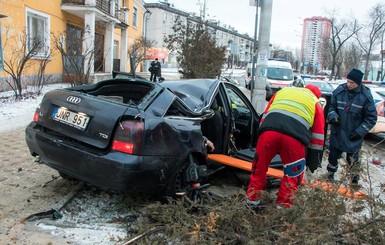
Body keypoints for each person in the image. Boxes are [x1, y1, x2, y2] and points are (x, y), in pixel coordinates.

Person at [246, 84, 325, 208]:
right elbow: (318, 136)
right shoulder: (315, 102)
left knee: (259, 167)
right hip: (294, 138)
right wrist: (313, 160)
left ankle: (252, 201)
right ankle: (283, 206)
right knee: (292, 174)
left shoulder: (284, 91)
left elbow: (265, 116)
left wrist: (262, 139)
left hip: (269, 132)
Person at [326, 68, 377, 184]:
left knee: (353, 160)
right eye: (348, 81)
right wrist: (333, 116)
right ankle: (330, 177)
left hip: (353, 135)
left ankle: (354, 181)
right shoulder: (339, 91)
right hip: (337, 132)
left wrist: (359, 132)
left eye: (352, 82)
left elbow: (371, 118)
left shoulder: (365, 96)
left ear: (358, 83)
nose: (349, 84)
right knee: (332, 158)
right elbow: (331, 107)